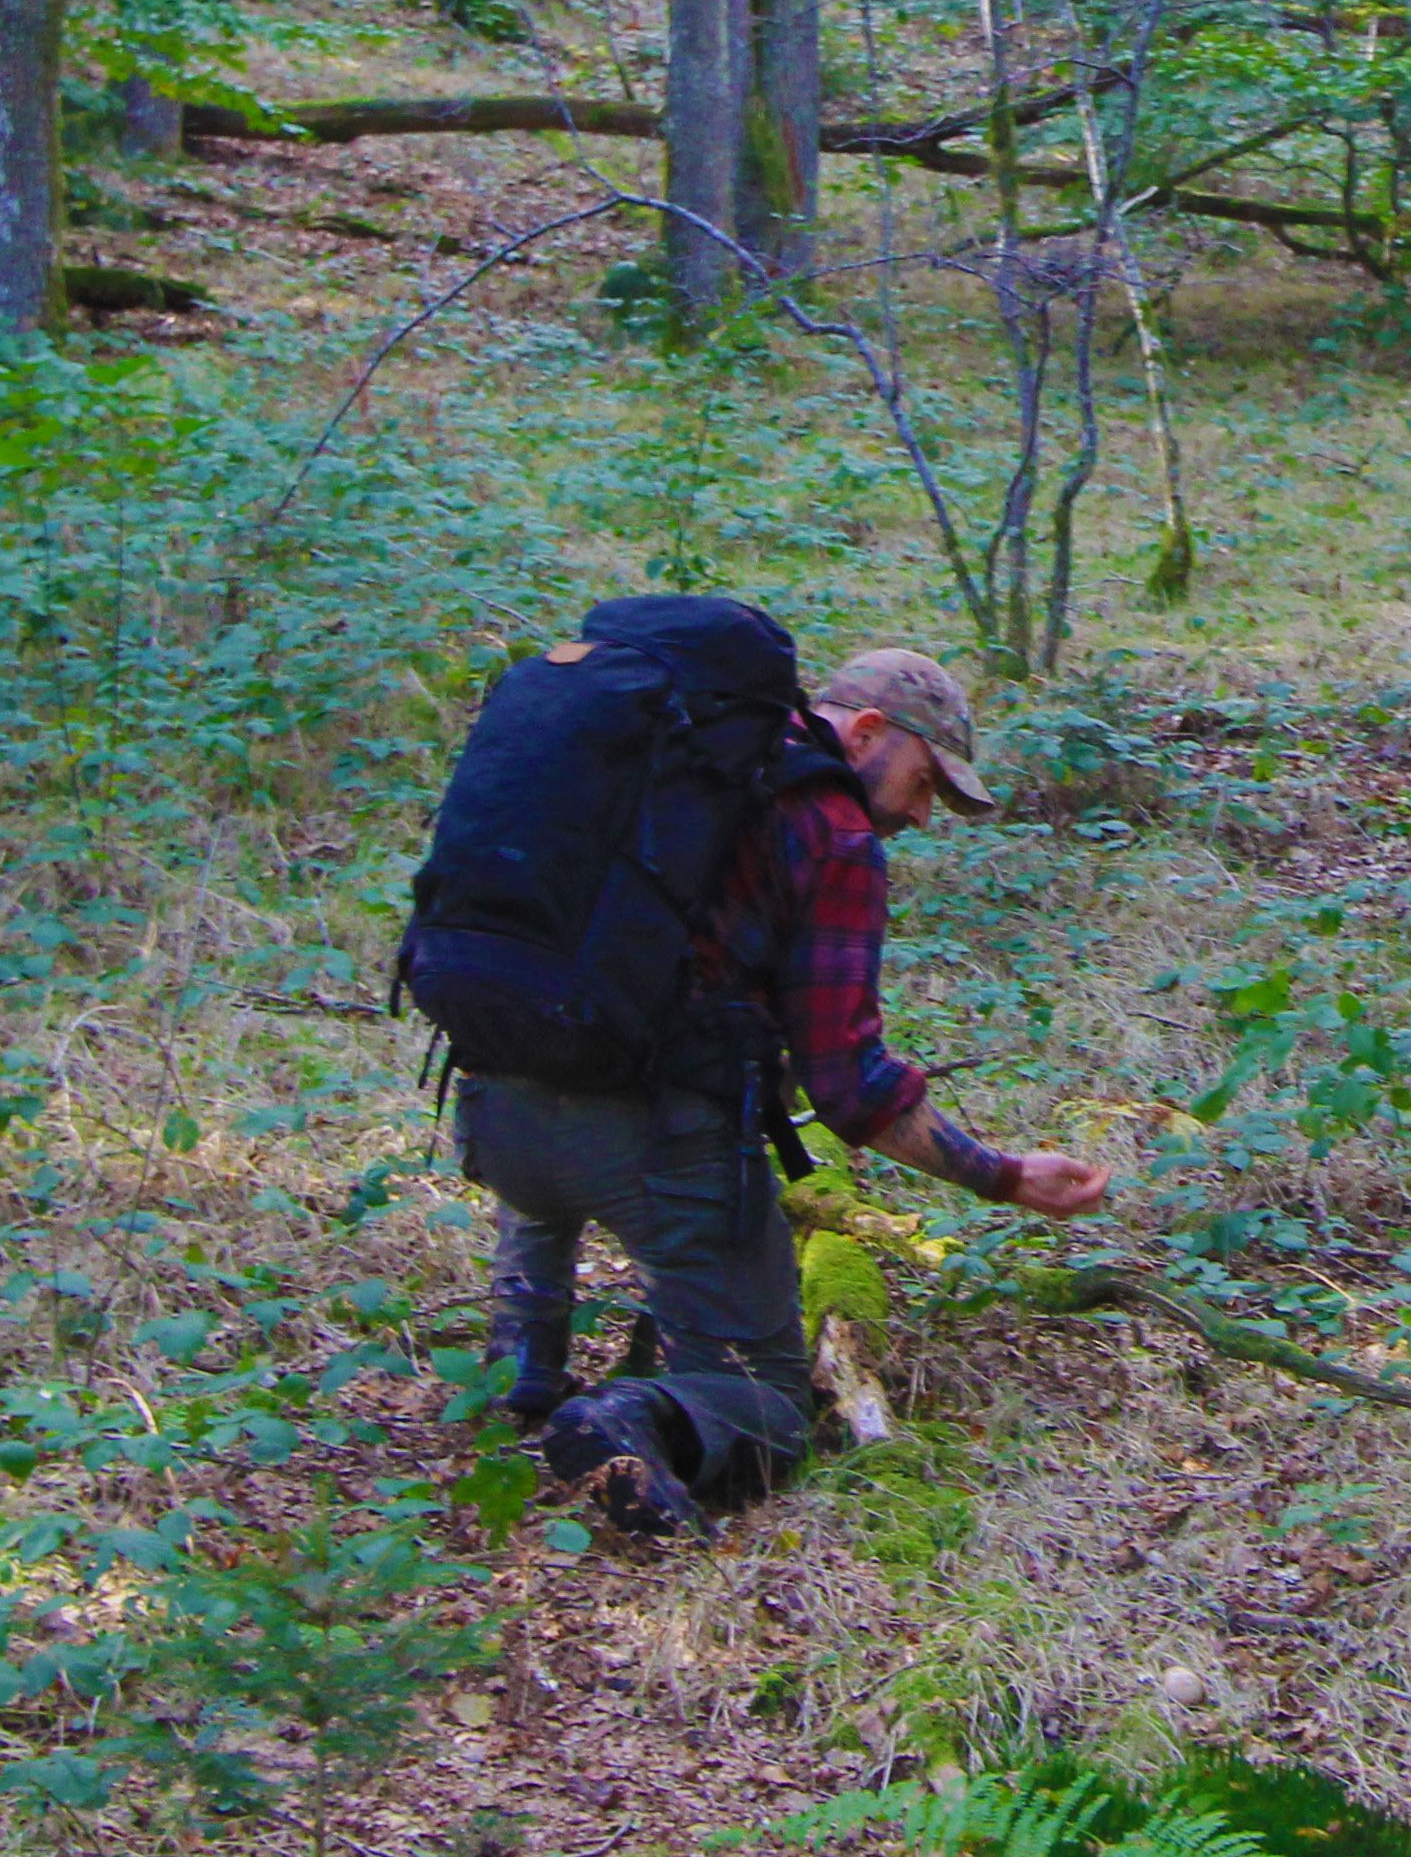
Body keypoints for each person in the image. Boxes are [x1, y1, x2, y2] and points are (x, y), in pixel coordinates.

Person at [464, 645, 1109, 1534]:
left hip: (495, 1115)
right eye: (925, 784)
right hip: (650, 1150)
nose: (920, 815)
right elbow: (848, 1086)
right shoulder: (831, 831)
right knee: (766, 1398)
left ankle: (520, 1372)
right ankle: (621, 1421)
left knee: (576, 1061)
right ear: (870, 732)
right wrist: (1001, 1175)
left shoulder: (649, 762)